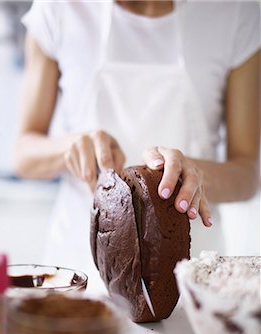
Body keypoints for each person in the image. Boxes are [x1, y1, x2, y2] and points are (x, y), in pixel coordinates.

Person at [15, 0, 260, 284]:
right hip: (77, 268)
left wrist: (192, 173)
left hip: (191, 275)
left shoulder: (235, 13)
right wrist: (68, 148)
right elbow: (23, 153)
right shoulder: (60, 9)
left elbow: (247, 174)